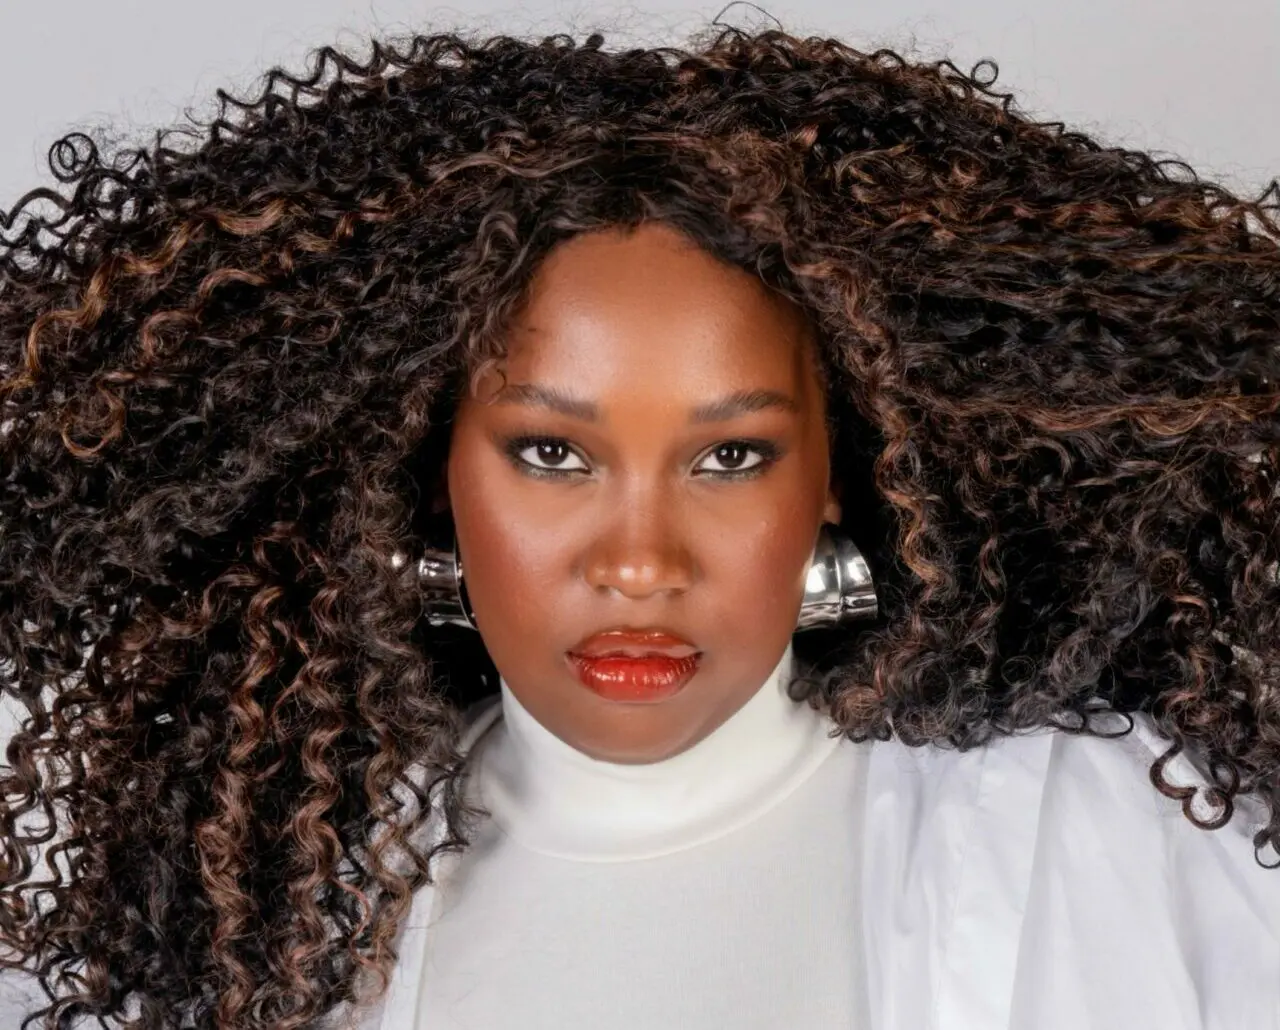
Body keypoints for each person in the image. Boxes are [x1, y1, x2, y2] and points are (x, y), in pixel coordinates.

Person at [0, 16, 1277, 1030]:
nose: (636, 563)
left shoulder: (1096, 846)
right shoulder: (258, 913)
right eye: (551, 453)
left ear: (841, 471)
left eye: (729, 456)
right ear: (429, 467)